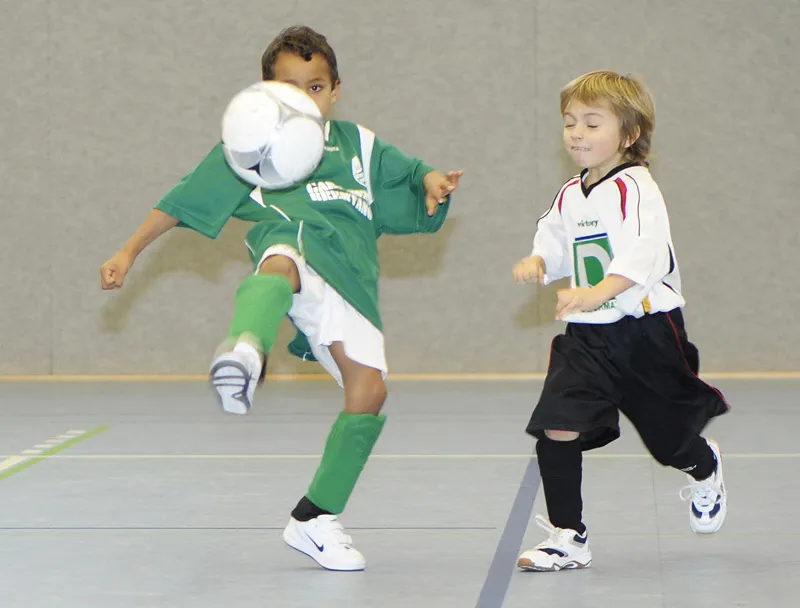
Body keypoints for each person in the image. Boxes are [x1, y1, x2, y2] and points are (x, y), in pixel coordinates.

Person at [99, 25, 463, 572]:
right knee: (281, 258)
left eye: (315, 87)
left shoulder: (360, 145)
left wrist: (433, 181)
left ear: (335, 89)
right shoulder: (250, 145)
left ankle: (313, 519)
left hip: (349, 282)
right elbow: (181, 200)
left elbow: (411, 175)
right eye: (289, 87)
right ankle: (247, 348)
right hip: (293, 249)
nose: (304, 98)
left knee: (369, 391)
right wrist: (128, 251)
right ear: (265, 92)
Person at [511, 70, 728, 572]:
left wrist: (596, 293)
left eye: (592, 123)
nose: (577, 134)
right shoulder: (571, 192)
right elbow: (556, 239)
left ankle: (704, 464)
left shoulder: (636, 187)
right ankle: (569, 536)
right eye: (570, 123)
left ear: (628, 135)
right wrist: (541, 260)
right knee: (558, 425)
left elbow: (643, 257)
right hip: (588, 338)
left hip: (646, 334)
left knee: (669, 441)